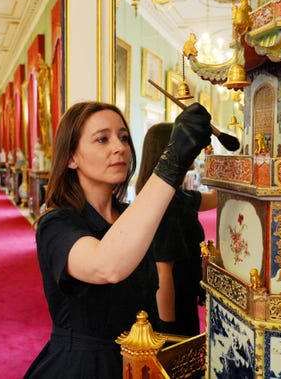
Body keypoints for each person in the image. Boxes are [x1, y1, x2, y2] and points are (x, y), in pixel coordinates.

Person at [24, 101, 212, 378]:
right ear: (71, 158)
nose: (120, 147)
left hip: (139, 362)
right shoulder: (56, 224)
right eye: (103, 139)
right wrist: (171, 162)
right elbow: (106, 265)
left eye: (123, 137)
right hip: (84, 367)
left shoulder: (129, 216)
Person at [135, 122, 217, 336]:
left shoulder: (174, 195)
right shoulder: (167, 203)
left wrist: (217, 166)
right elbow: (163, 272)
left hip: (183, 294)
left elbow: (214, 199)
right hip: (173, 305)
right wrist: (170, 332)